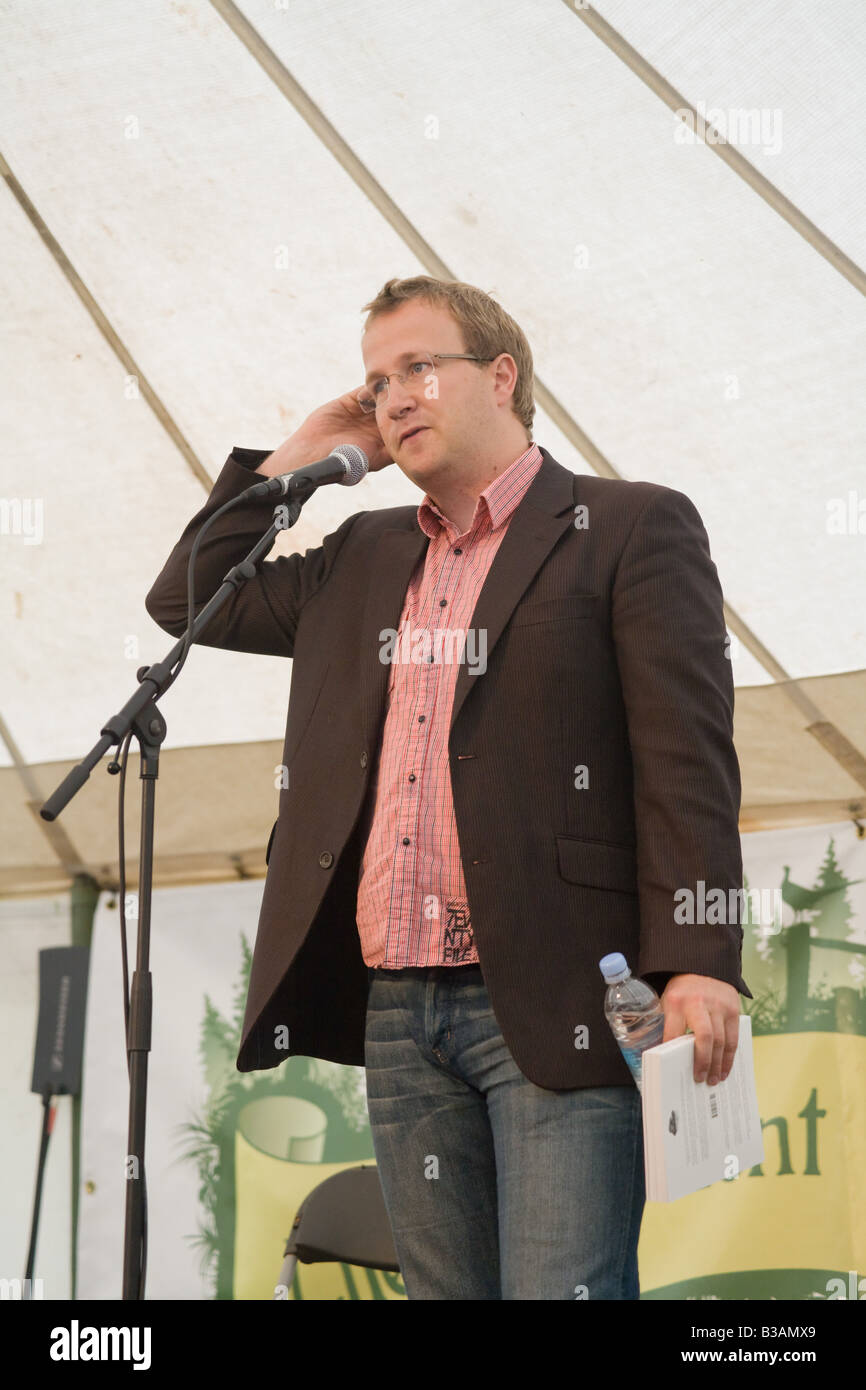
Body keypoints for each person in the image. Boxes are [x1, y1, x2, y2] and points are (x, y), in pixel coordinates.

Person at [146, 275, 752, 1300]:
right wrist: (299, 457)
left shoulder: (629, 526)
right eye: (377, 381)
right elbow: (186, 597)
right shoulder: (361, 553)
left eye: (419, 367)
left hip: (559, 988)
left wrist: (697, 958)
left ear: (501, 375)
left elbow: (685, 757)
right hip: (399, 1006)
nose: (393, 397)